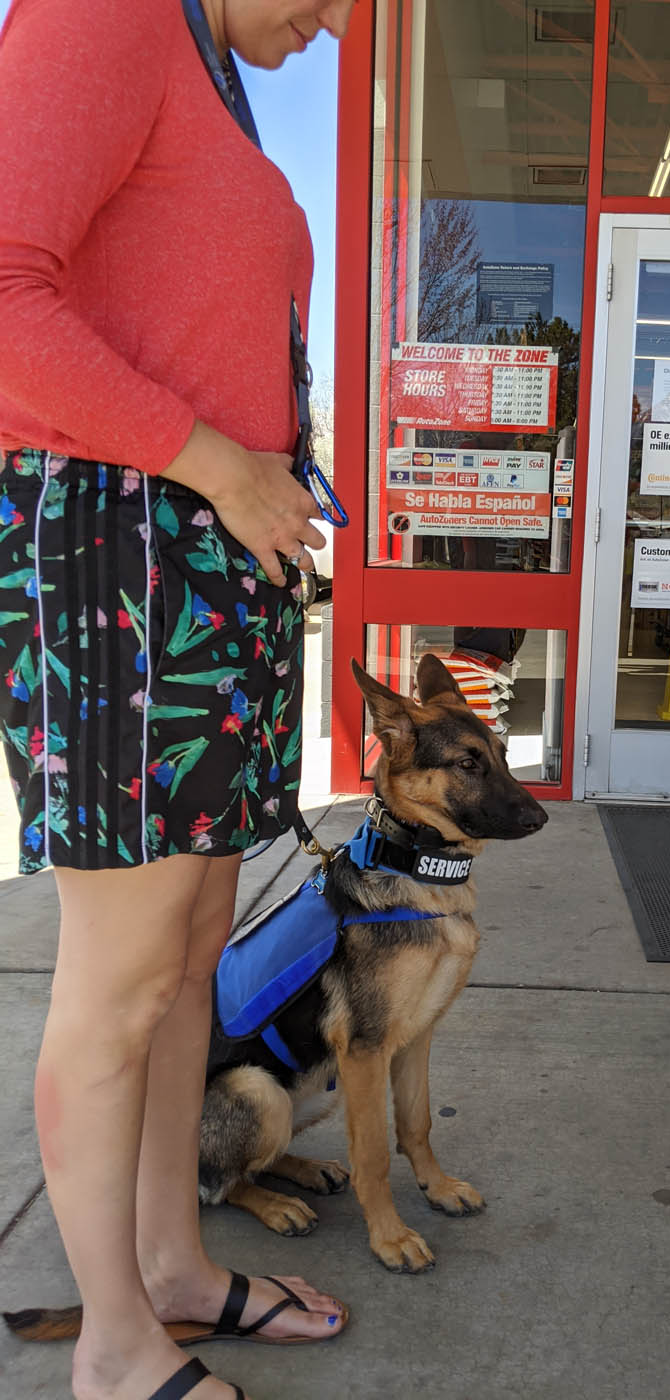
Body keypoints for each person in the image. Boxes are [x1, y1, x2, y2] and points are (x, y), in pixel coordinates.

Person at [0, 2, 356, 1397]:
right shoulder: (109, 12)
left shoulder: (208, 66)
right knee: (126, 972)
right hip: (119, 550)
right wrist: (216, 459)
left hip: (203, 553)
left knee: (193, 944)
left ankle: (172, 1269)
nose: (332, 26)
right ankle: (113, 1349)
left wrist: (255, 483)